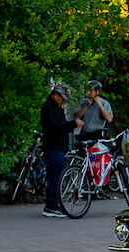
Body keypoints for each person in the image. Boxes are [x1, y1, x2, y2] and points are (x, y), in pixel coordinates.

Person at [39, 83, 83, 217]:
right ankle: (51, 206)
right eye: (63, 98)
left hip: (58, 147)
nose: (64, 101)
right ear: (55, 95)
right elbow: (55, 127)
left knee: (56, 176)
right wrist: (72, 124)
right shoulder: (49, 108)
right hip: (53, 147)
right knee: (55, 177)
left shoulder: (55, 107)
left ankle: (53, 205)